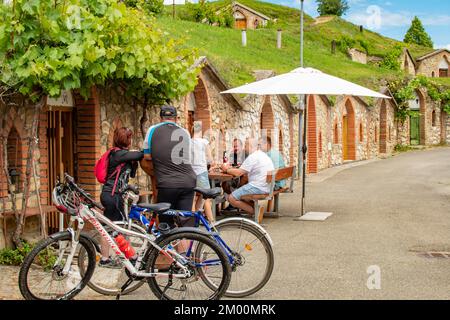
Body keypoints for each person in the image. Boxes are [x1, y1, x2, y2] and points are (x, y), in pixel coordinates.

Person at [141, 105, 197, 227]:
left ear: (161, 118)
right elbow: (187, 156)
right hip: (188, 182)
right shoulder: (185, 132)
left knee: (166, 225)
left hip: (167, 184)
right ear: (176, 118)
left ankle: (167, 244)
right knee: (185, 224)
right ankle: (186, 244)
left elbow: (147, 156)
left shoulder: (152, 130)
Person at [99, 127, 143, 268]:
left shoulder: (122, 156)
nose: (131, 141)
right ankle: (129, 257)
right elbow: (139, 155)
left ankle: (106, 258)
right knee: (118, 228)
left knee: (110, 227)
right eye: (129, 138)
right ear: (126, 140)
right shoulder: (118, 154)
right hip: (113, 195)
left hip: (112, 195)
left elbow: (131, 175)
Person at [220, 137, 274, 218]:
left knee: (231, 198)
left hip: (258, 187)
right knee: (239, 191)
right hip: (266, 187)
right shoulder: (262, 155)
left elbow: (238, 173)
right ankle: (255, 209)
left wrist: (226, 169)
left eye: (246, 145)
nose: (245, 148)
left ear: (251, 146)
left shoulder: (253, 157)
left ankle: (256, 212)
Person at [191, 121, 215, 222]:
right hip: (201, 172)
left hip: (190, 172)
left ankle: (192, 222)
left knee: (192, 198)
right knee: (206, 198)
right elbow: (210, 160)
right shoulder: (204, 142)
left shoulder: (188, 141)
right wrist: (211, 165)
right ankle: (212, 223)